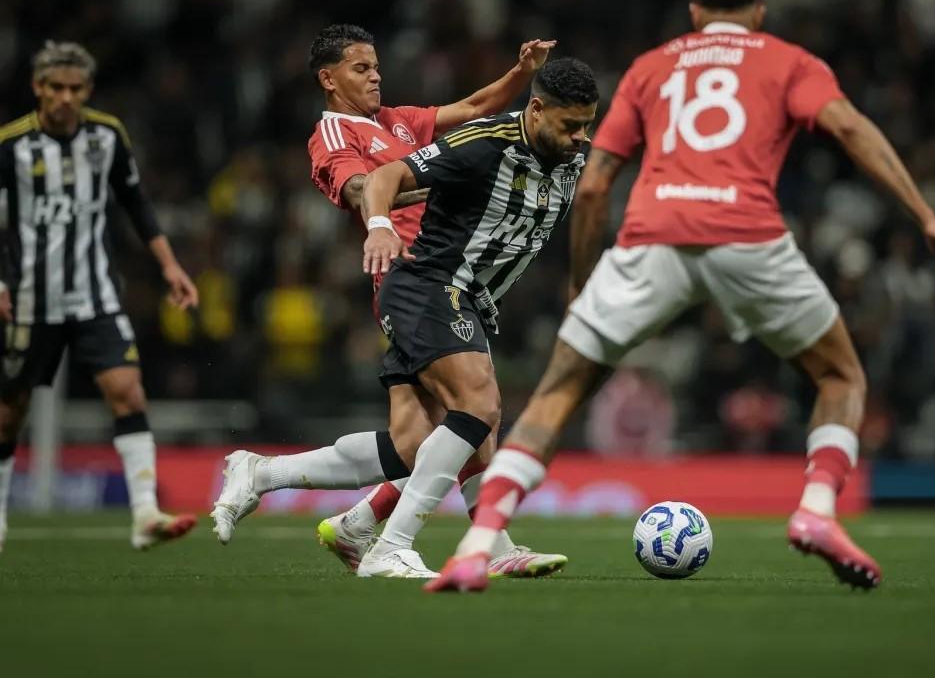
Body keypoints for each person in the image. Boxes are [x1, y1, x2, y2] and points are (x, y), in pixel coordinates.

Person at [427, 0, 935, 593]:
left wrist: (583, 279)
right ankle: (817, 510)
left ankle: (474, 546)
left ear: (694, 14)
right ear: (760, 12)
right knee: (838, 374)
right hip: (750, 236)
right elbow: (850, 129)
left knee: (557, 394)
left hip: (652, 237)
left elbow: (598, 184)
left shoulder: (651, 67)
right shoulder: (786, 60)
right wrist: (926, 217)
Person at [209, 28, 575, 577]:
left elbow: (476, 105)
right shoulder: (333, 133)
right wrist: (436, 189)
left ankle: (263, 474)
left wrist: (523, 71)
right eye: (360, 68)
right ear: (328, 80)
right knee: (477, 406)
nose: (375, 75)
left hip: (451, 277)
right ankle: (436, 545)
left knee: (414, 443)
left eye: (376, 65)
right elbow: (363, 189)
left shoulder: (398, 121)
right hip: (414, 275)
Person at [0, 41, 200, 554]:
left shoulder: (107, 136)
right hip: (27, 300)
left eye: (76, 88)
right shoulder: (10, 145)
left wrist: (170, 265)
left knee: (128, 392)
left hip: (96, 296)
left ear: (87, 90)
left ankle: (144, 515)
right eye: (56, 88)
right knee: (8, 411)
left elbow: (136, 202)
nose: (66, 98)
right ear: (38, 88)